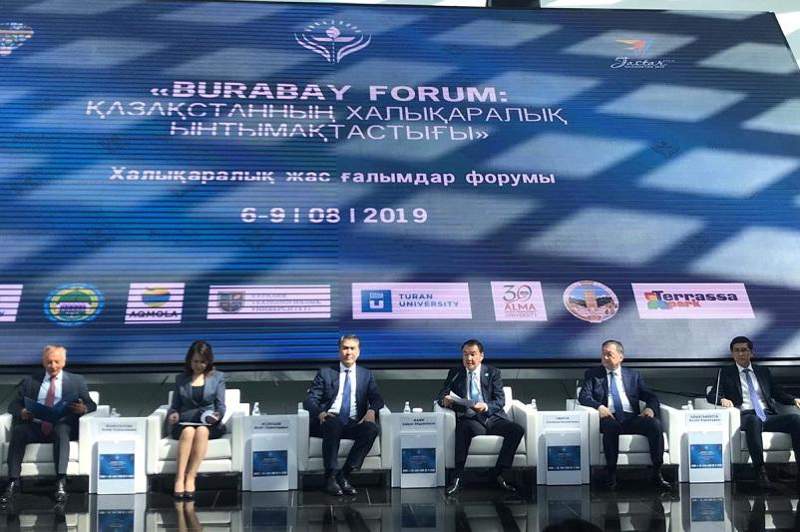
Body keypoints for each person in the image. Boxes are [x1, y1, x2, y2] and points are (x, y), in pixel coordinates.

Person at [2, 345, 96, 503]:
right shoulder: (30, 381)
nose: (53, 366)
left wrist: (83, 408)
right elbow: (13, 405)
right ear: (43, 362)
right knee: (19, 431)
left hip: (62, 426)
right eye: (49, 362)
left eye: (57, 362)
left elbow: (91, 404)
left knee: (61, 430)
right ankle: (13, 482)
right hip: (36, 425)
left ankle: (60, 482)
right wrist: (22, 411)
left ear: (64, 362)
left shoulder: (76, 381)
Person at [706, 336, 800, 488]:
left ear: (751, 353)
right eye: (737, 351)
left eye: (744, 350)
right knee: (753, 420)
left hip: (767, 415)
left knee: (795, 419)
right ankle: (760, 471)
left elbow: (777, 393)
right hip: (745, 416)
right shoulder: (725, 373)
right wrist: (722, 399)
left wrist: (793, 400)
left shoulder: (763, 371)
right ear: (732, 354)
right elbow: (711, 395)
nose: (741, 354)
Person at [437, 339, 524, 496]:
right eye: (465, 355)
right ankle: (457, 478)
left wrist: (485, 406)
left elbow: (500, 401)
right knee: (463, 428)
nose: (468, 359)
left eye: (472, 354)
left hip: (492, 417)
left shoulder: (493, 373)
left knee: (516, 430)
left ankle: (499, 474)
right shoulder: (456, 373)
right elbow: (442, 395)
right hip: (471, 419)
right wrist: (445, 400)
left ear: (481, 356)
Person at [578, 339, 669, 490]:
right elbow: (584, 397)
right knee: (611, 427)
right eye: (603, 354)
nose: (605, 358)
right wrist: (599, 406)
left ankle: (656, 472)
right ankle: (611, 474)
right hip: (609, 416)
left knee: (654, 424)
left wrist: (650, 409)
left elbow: (651, 396)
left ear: (620, 357)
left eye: (609, 354)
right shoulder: (593, 374)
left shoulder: (633, 375)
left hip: (631, 418)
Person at [304, 334, 384, 496]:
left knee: (371, 429)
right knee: (333, 423)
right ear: (339, 351)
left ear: (358, 352)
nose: (348, 352)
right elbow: (310, 400)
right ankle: (330, 478)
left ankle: (344, 475)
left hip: (352, 423)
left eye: (352, 348)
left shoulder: (365, 375)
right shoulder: (325, 373)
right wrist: (320, 413)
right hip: (328, 421)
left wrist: (371, 411)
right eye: (345, 348)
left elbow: (377, 399)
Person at [166, 340, 226, 499]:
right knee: (188, 431)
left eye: (202, 362)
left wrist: (217, 416)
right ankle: (179, 478)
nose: (198, 365)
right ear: (189, 360)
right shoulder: (181, 378)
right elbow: (175, 406)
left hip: (209, 424)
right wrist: (173, 414)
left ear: (209, 361)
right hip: (184, 423)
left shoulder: (218, 377)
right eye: (195, 361)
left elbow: (221, 406)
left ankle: (191, 477)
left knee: (201, 430)